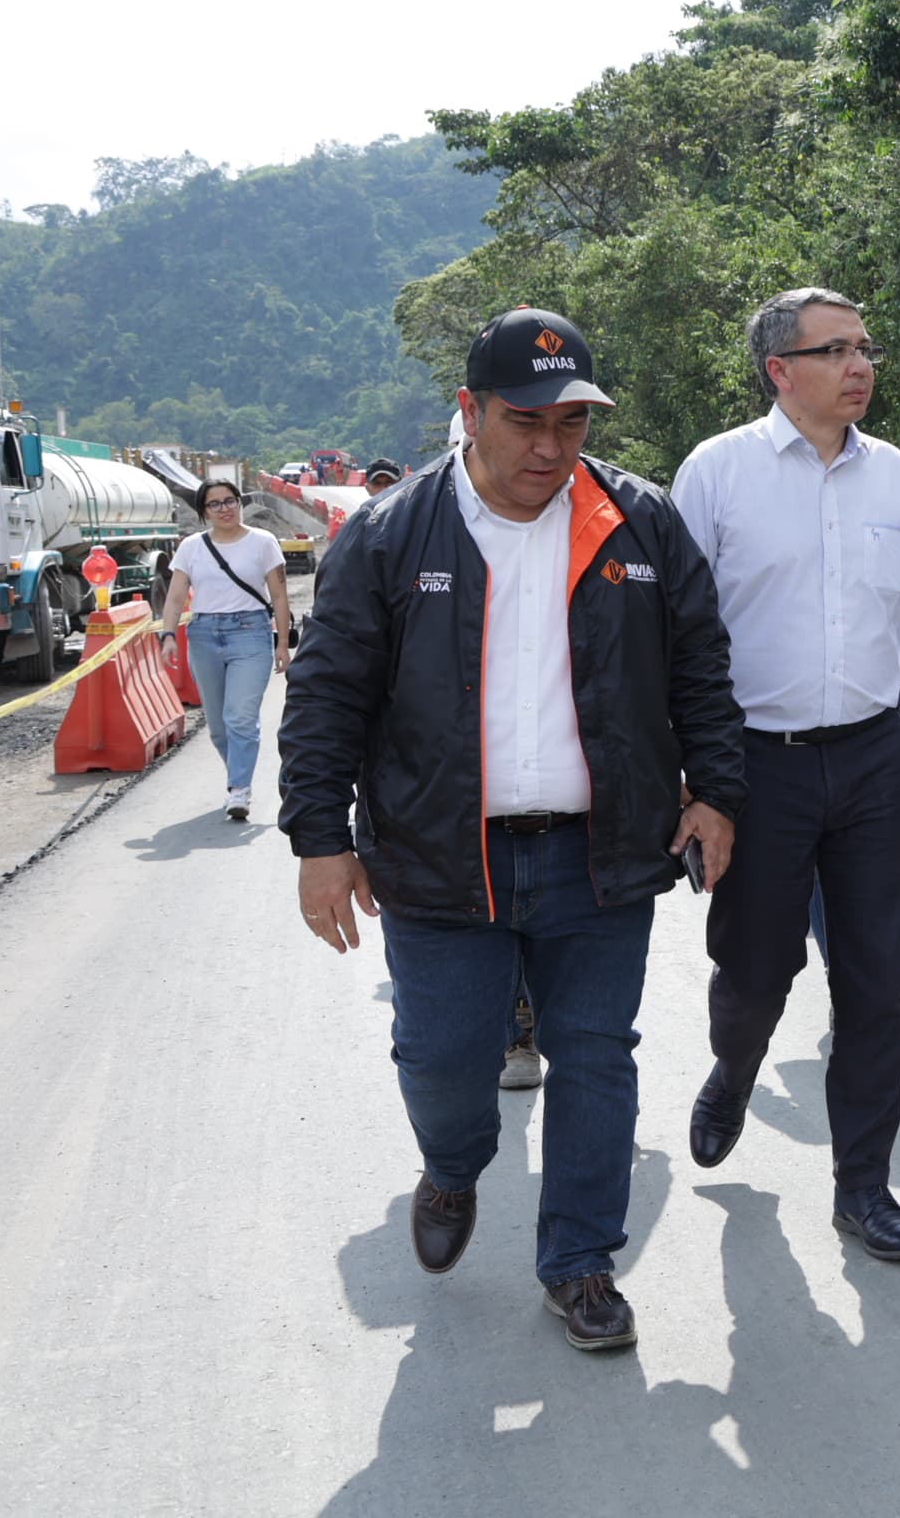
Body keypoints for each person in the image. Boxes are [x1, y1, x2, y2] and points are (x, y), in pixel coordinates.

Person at [278, 306, 747, 1352]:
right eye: (525, 422)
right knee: (444, 1062)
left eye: (571, 423)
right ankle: (451, 1169)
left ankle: (581, 1261)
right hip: (443, 857)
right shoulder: (395, 533)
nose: (550, 447)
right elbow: (326, 696)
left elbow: (702, 671)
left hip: (600, 853)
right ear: (470, 411)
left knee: (596, 1054)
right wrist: (320, 840)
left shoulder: (638, 523)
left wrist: (715, 791)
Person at [668, 287, 900, 1263]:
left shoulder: (895, 479)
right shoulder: (717, 475)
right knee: (757, 971)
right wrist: (691, 774)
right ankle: (733, 1070)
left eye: (867, 346)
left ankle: (863, 1188)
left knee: (876, 984)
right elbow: (678, 635)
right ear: (779, 371)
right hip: (756, 765)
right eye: (836, 350)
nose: (861, 365)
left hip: (875, 757)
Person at [160, 478, 292, 821]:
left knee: (240, 718)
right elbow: (175, 597)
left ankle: (239, 789)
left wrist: (282, 642)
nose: (225, 508)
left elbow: (279, 595)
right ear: (204, 511)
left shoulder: (263, 542)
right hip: (204, 635)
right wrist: (168, 635)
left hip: (251, 634)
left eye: (230, 500)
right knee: (218, 727)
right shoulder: (191, 546)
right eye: (215, 504)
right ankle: (237, 779)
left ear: (240, 502)